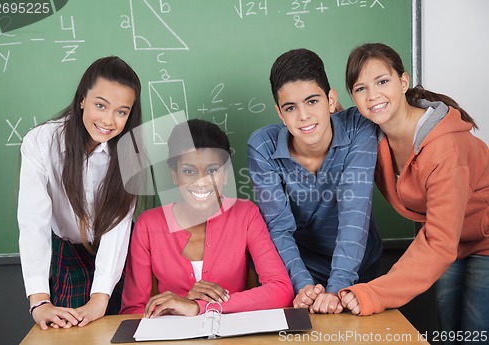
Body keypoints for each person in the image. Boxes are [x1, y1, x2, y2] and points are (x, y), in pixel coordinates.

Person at [340, 42, 489, 338]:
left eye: (382, 81)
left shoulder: (443, 148)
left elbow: (438, 242)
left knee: (475, 334)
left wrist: (375, 293)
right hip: (448, 242)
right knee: (448, 333)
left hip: (479, 242)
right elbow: (324, 127)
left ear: (403, 81)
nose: (373, 96)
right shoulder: (370, 134)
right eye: (361, 89)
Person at [247, 48, 382, 314]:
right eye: (290, 108)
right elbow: (278, 227)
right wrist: (303, 286)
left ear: (331, 100)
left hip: (359, 267)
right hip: (300, 269)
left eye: (312, 101)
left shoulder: (359, 127)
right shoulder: (262, 146)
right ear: (280, 113)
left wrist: (337, 287)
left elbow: (354, 212)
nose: (304, 116)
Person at [120, 119, 293, 317]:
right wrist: (180, 306)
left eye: (212, 170)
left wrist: (198, 307)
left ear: (225, 174)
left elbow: (281, 290)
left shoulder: (246, 214)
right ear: (174, 175)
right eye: (188, 171)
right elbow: (132, 311)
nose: (201, 181)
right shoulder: (148, 225)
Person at [18, 56, 142, 330]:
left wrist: (100, 298)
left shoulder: (130, 151)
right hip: (67, 249)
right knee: (68, 327)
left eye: (122, 112)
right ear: (82, 99)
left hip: (118, 252)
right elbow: (33, 223)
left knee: (118, 327)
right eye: (101, 105)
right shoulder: (41, 142)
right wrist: (39, 301)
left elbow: (118, 228)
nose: (109, 120)